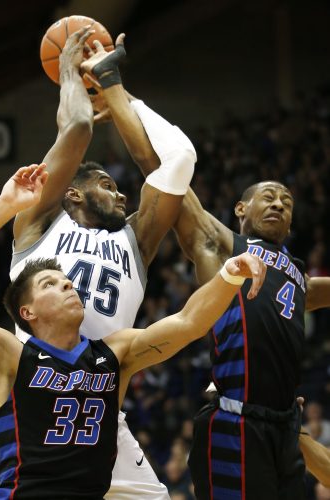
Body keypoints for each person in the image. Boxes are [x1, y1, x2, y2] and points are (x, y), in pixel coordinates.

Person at [0, 163, 266, 499]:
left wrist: (230, 274)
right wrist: (3, 207)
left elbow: (188, 323)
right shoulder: (6, 357)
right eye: (50, 284)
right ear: (28, 311)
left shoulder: (114, 353)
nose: (68, 285)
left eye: (66, 280)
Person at [80, 37, 330, 500]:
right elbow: (161, 171)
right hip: (235, 421)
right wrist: (117, 92)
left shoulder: (296, 274)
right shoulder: (221, 244)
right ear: (240, 209)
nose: (278, 202)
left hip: (286, 429)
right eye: (267, 196)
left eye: (287, 201)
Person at [11, 27, 197, 500]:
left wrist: (114, 86)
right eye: (108, 185)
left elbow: (175, 160)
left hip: (100, 412)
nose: (121, 192)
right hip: (38, 408)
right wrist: (72, 74)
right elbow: (76, 129)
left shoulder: (136, 241)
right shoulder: (38, 225)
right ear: (73, 192)